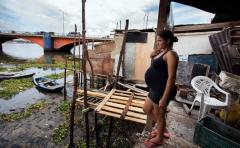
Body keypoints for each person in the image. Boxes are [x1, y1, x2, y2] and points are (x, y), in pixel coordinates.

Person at [143, 29, 179, 147]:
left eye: (159, 40)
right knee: (147, 109)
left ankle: (159, 138)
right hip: (155, 88)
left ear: (167, 41)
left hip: (162, 90)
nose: (157, 43)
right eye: (156, 40)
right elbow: (154, 59)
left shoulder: (171, 54)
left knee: (160, 115)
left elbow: (171, 77)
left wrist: (164, 97)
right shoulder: (163, 52)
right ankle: (162, 129)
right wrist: (152, 54)